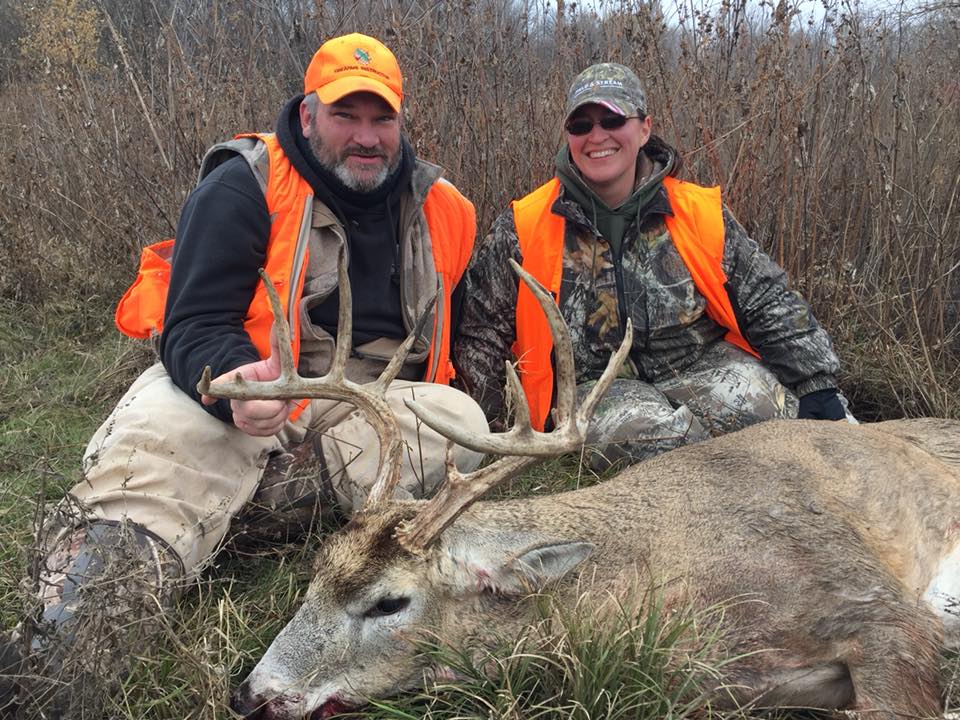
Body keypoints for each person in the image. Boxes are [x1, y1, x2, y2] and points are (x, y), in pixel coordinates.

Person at [0, 32, 486, 717]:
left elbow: (445, 346)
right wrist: (232, 384)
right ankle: (67, 640)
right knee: (164, 439)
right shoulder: (244, 184)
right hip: (254, 376)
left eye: (382, 118)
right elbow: (193, 318)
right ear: (309, 114)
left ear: (403, 122)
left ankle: (238, 506)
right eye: (346, 115)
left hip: (372, 397)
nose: (366, 136)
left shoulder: (446, 210)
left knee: (462, 422)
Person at [453, 62, 850, 471]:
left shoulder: (696, 213)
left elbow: (767, 298)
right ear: (568, 136)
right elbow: (482, 331)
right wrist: (495, 429)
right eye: (581, 125)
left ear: (644, 129)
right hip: (601, 389)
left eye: (613, 119)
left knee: (822, 435)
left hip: (703, 364)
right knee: (666, 451)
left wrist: (816, 383)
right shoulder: (526, 224)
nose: (597, 136)